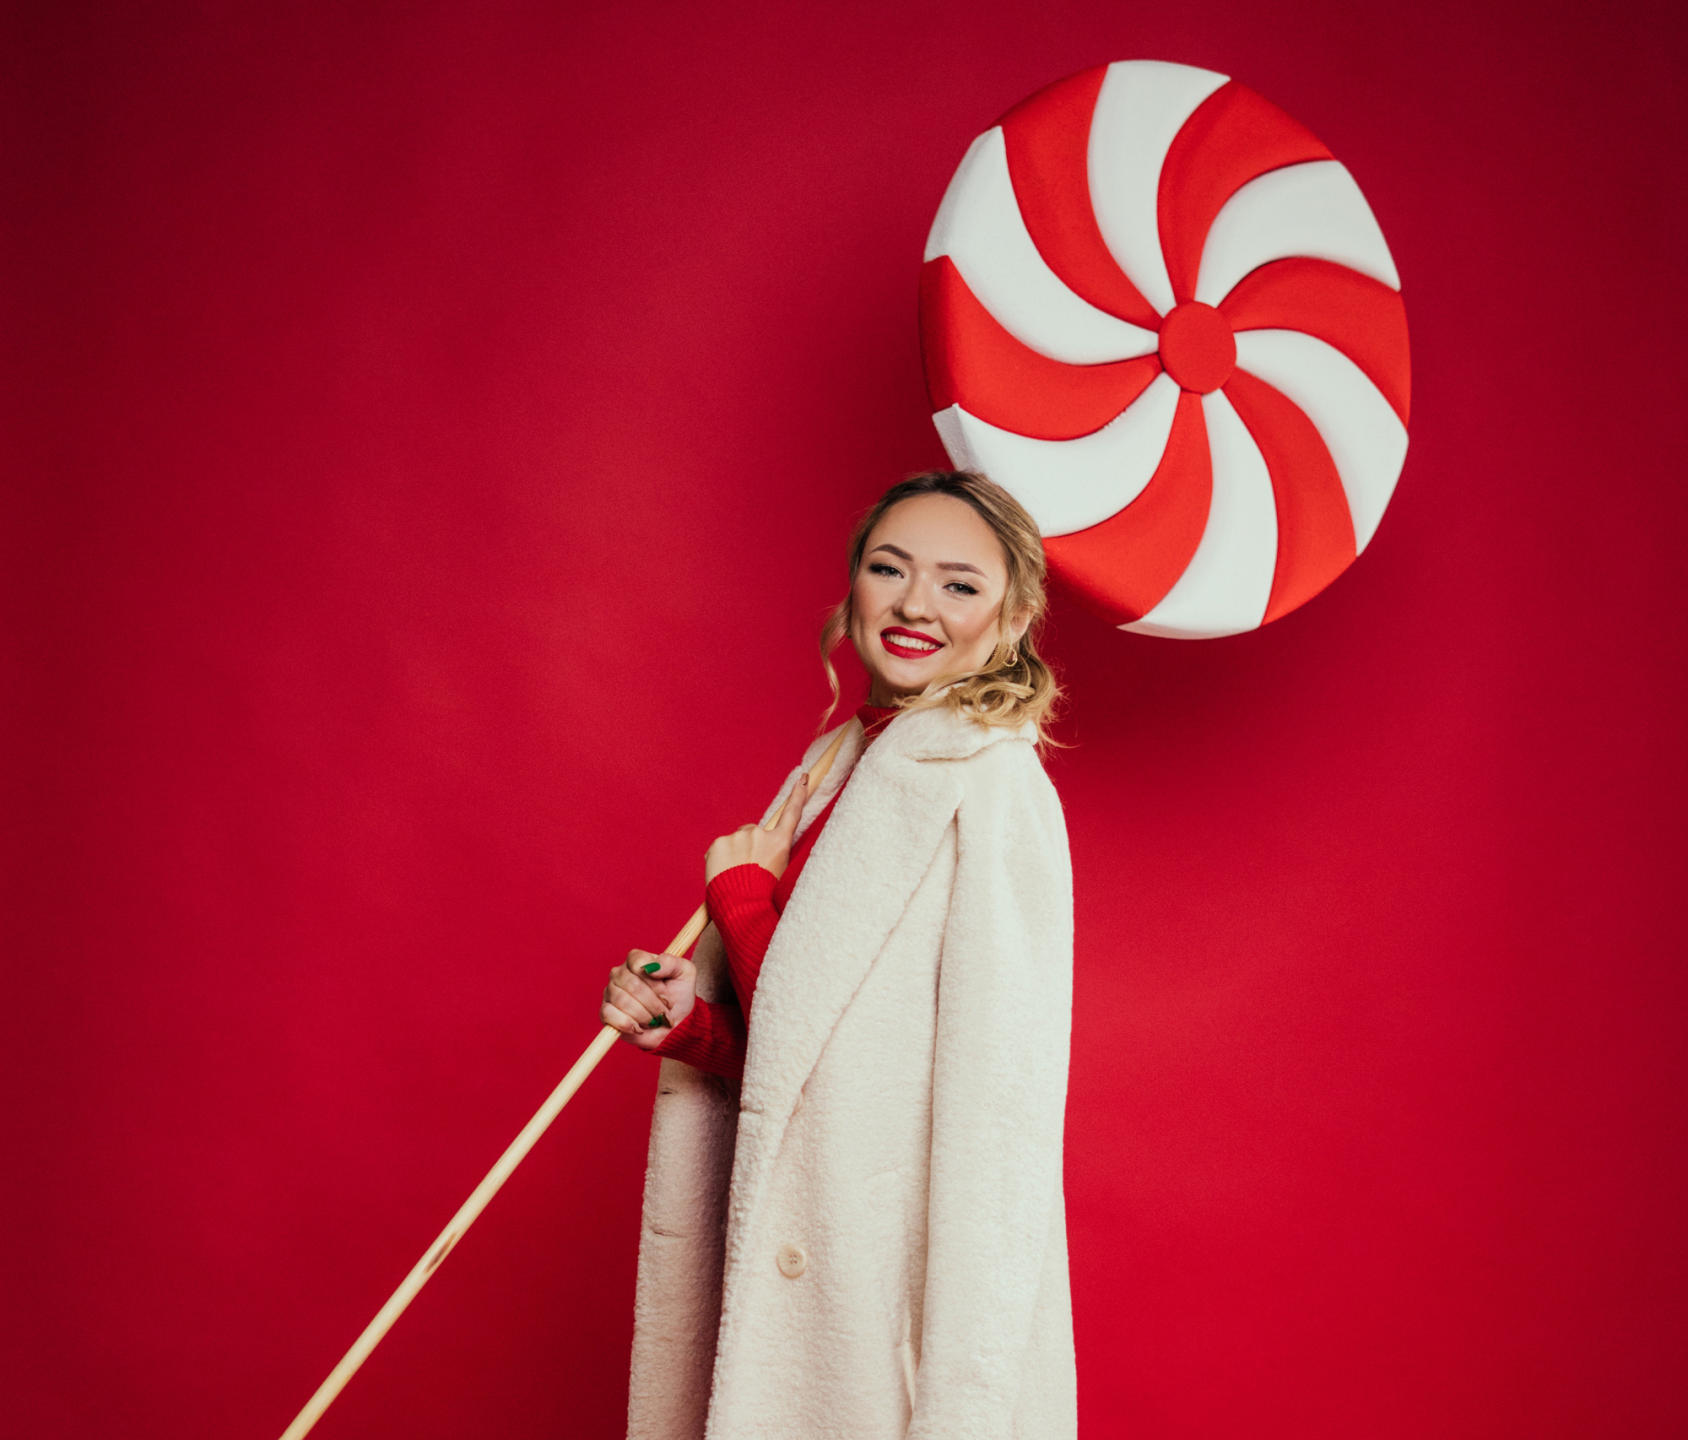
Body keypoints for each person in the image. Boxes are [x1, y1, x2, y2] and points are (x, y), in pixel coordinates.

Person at [601, 469, 1076, 1439]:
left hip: (882, 1287)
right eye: (888, 568)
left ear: (1014, 617)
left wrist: (741, 898)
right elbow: (835, 1060)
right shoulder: (843, 766)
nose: (914, 604)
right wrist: (694, 1027)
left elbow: (993, 1099)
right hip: (807, 1256)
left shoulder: (989, 785)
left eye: (958, 584)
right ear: (853, 584)